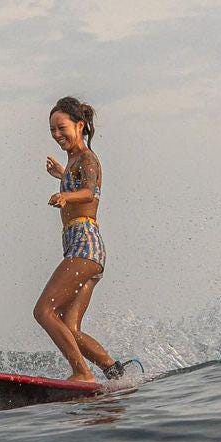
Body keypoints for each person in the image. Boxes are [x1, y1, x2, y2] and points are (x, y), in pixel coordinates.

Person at [35, 97, 128, 383]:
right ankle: (113, 370)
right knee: (70, 327)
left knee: (44, 311)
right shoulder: (73, 161)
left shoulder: (88, 158)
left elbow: (90, 193)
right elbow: (79, 185)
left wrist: (65, 195)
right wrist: (61, 176)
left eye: (61, 128)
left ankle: (81, 373)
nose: (57, 135)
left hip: (85, 246)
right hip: (87, 250)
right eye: (52, 130)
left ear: (80, 125)